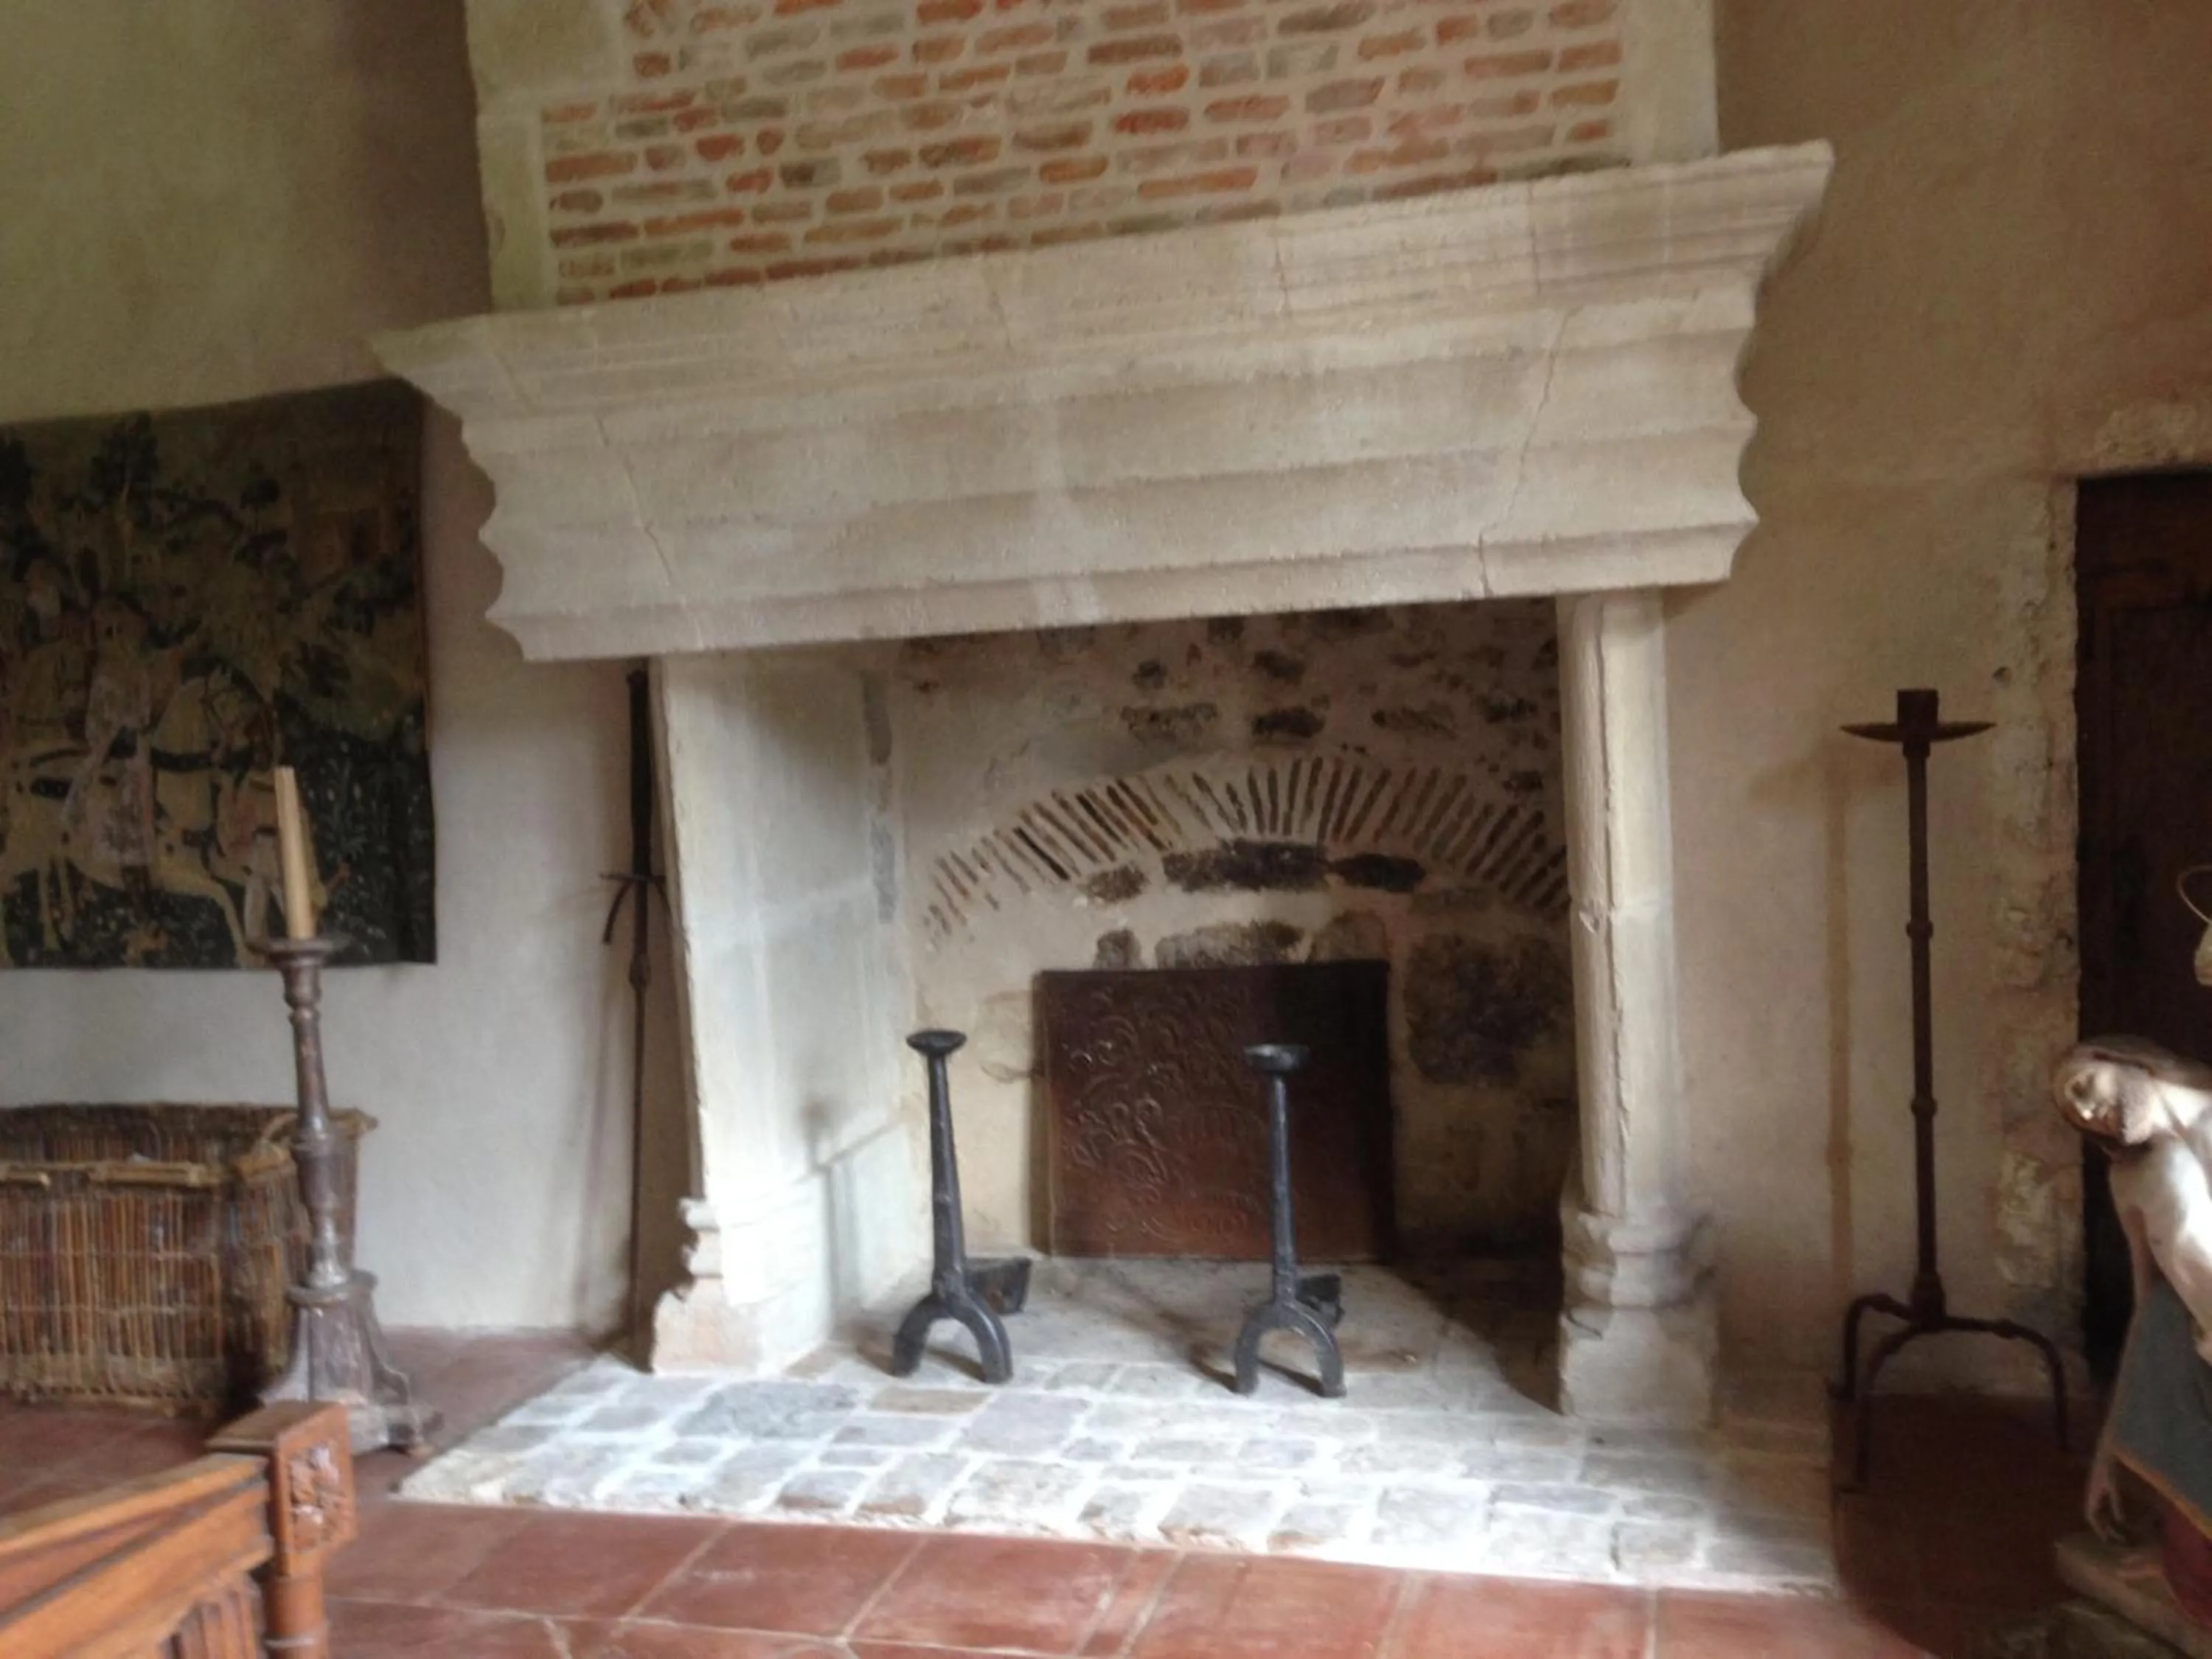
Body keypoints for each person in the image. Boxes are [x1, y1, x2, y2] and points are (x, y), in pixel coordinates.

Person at [2055, 1035, 2212, 1624]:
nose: (2088, 1112)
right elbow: (2145, 1311)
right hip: (2199, 1341)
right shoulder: (2133, 1178)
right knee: (2166, 1324)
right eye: (2075, 1115)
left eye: (2081, 1087)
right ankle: (2182, 1559)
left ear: (2121, 1059)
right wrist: (2105, 1456)